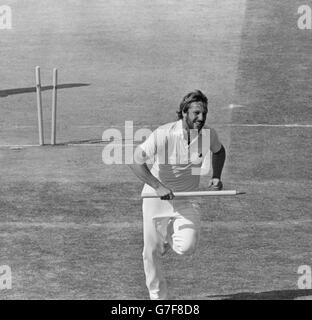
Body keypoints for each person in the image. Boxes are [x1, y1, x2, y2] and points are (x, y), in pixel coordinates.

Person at [128, 90, 226, 300]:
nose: (201, 118)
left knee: (187, 247)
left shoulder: (209, 134)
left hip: (186, 199)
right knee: (150, 252)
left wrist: (216, 176)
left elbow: (219, 151)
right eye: (196, 113)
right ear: (184, 113)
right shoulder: (163, 134)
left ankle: (164, 236)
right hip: (156, 199)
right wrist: (158, 186)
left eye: (204, 113)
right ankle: (157, 297)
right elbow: (135, 160)